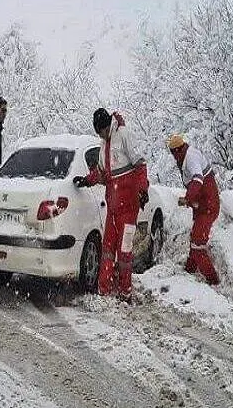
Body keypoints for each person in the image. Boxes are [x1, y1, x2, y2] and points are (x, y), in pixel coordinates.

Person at [73, 108, 149, 300]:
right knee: (107, 249)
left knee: (124, 252)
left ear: (109, 126)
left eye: (103, 131)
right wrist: (87, 180)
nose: (102, 135)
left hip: (129, 207)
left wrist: (142, 190)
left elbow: (140, 164)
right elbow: (101, 172)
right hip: (113, 209)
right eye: (99, 133)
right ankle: (104, 291)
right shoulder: (103, 144)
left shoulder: (123, 135)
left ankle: (125, 292)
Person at [166, 134, 220, 285]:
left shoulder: (191, 158)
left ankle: (213, 280)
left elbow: (198, 179)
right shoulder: (186, 155)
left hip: (208, 207)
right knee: (195, 239)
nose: (173, 157)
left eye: (172, 153)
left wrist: (187, 198)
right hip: (202, 206)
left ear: (177, 151)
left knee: (197, 243)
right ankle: (189, 271)